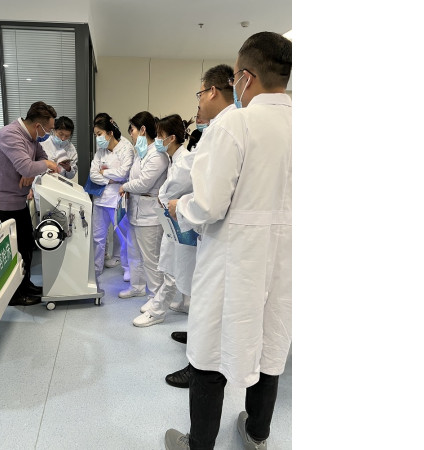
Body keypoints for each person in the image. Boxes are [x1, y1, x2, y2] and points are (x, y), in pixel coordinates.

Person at [164, 31, 292, 450]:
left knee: (211, 350)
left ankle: (198, 444)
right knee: (271, 344)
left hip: (234, 261)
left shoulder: (236, 122)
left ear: (244, 77)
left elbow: (209, 204)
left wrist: (180, 207)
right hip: (284, 261)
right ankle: (257, 434)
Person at [163, 64, 237, 388]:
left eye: (200, 94)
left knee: (210, 303)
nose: (199, 101)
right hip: (217, 232)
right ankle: (198, 349)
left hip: (219, 232)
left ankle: (200, 368)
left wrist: (179, 206)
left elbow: (208, 200)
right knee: (203, 298)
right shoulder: (225, 127)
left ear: (212, 91)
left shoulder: (223, 130)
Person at [0, 101, 59, 306]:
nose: (49, 134)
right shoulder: (10, 135)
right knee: (9, 252)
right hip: (2, 204)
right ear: (38, 126)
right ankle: (14, 295)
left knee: (25, 246)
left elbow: (40, 158)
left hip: (18, 201)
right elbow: (29, 166)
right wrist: (37, 167)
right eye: (49, 129)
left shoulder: (32, 139)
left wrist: (33, 170)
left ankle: (25, 285)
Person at [132, 114, 195, 327]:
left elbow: (169, 192)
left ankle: (157, 311)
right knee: (177, 264)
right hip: (175, 218)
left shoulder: (184, 161)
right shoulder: (174, 159)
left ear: (172, 138)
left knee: (172, 268)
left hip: (182, 220)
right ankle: (185, 302)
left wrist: (161, 197)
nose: (157, 140)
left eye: (160, 136)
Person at [118, 111, 169, 303]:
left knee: (151, 259)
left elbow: (144, 183)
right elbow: (135, 179)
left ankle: (156, 298)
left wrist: (125, 187)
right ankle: (137, 287)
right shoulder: (141, 154)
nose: (130, 134)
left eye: (132, 130)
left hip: (150, 216)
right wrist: (129, 188)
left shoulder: (158, 155)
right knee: (134, 254)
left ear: (142, 130)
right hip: (135, 212)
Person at [89, 113, 135, 279]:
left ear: (110, 133)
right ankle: (96, 267)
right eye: (96, 135)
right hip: (100, 198)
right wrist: (110, 179)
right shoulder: (100, 151)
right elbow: (93, 174)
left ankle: (127, 268)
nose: (98, 138)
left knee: (123, 236)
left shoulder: (126, 147)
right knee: (98, 236)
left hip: (117, 199)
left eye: (99, 134)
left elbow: (124, 173)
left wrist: (104, 173)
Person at [40, 116, 79, 180]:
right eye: (61, 134)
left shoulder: (71, 149)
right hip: (45, 181)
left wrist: (68, 168)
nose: (63, 138)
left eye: (67, 136)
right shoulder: (43, 145)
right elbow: (37, 168)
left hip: (62, 183)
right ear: (54, 130)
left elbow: (71, 176)